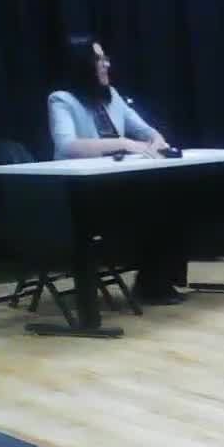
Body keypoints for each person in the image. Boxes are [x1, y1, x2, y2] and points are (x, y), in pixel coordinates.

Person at [46, 34, 185, 304]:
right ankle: (149, 285)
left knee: (172, 199)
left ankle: (154, 283)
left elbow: (146, 131)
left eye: (105, 58)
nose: (106, 64)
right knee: (156, 206)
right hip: (81, 191)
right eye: (98, 59)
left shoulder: (112, 97)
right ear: (82, 64)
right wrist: (122, 143)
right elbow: (67, 145)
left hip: (117, 183)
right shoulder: (61, 100)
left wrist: (157, 141)